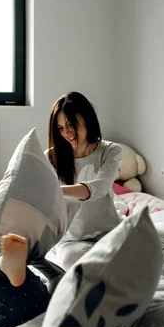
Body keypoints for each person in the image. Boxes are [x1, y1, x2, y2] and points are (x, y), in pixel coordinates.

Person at [46, 91, 124, 270]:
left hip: (110, 229)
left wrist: (55, 191)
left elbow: (100, 188)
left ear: (87, 119)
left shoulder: (111, 151)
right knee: (72, 262)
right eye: (60, 128)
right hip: (72, 239)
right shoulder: (50, 157)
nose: (66, 132)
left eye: (71, 124)